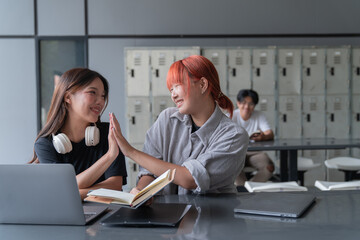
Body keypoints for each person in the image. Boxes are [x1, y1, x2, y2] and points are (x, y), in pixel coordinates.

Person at [110, 55, 248, 195]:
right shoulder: (167, 119)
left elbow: (191, 179)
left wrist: (131, 152)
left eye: (177, 86)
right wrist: (142, 191)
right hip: (168, 215)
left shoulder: (234, 135)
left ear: (202, 85)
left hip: (211, 215)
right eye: (171, 89)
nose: (173, 95)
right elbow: (149, 171)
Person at [30, 68, 127, 199]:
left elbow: (115, 185)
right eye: (92, 92)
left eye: (103, 96)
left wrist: (74, 193)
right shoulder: (45, 144)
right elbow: (62, 187)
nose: (100, 101)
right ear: (68, 97)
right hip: (63, 217)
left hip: (105, 213)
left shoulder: (107, 133)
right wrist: (109, 156)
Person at [232, 89, 275, 186]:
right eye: (243, 103)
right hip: (236, 153)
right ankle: (243, 190)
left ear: (255, 105)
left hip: (254, 153)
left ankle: (251, 187)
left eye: (251, 104)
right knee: (232, 167)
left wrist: (263, 137)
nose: (246, 107)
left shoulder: (259, 115)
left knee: (269, 167)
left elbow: (270, 133)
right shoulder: (231, 116)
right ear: (238, 103)